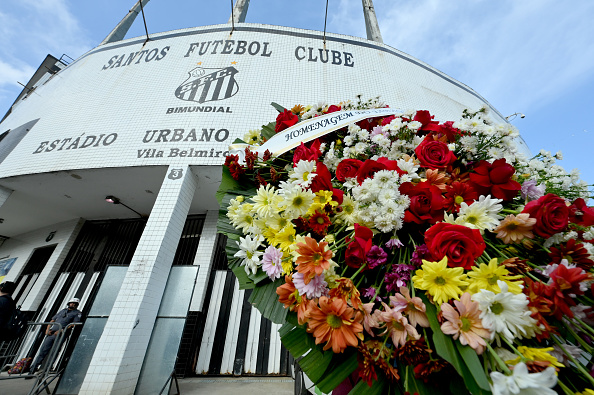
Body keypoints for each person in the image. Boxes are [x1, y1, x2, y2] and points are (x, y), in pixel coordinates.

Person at [30, 297, 82, 374]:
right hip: (51, 333)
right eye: (71, 303)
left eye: (75, 304)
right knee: (43, 351)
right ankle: (32, 369)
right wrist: (47, 329)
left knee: (55, 351)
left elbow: (74, 324)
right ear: (69, 303)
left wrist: (62, 330)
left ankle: (46, 370)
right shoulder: (62, 311)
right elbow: (52, 320)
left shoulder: (77, 313)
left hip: (61, 334)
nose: (73, 304)